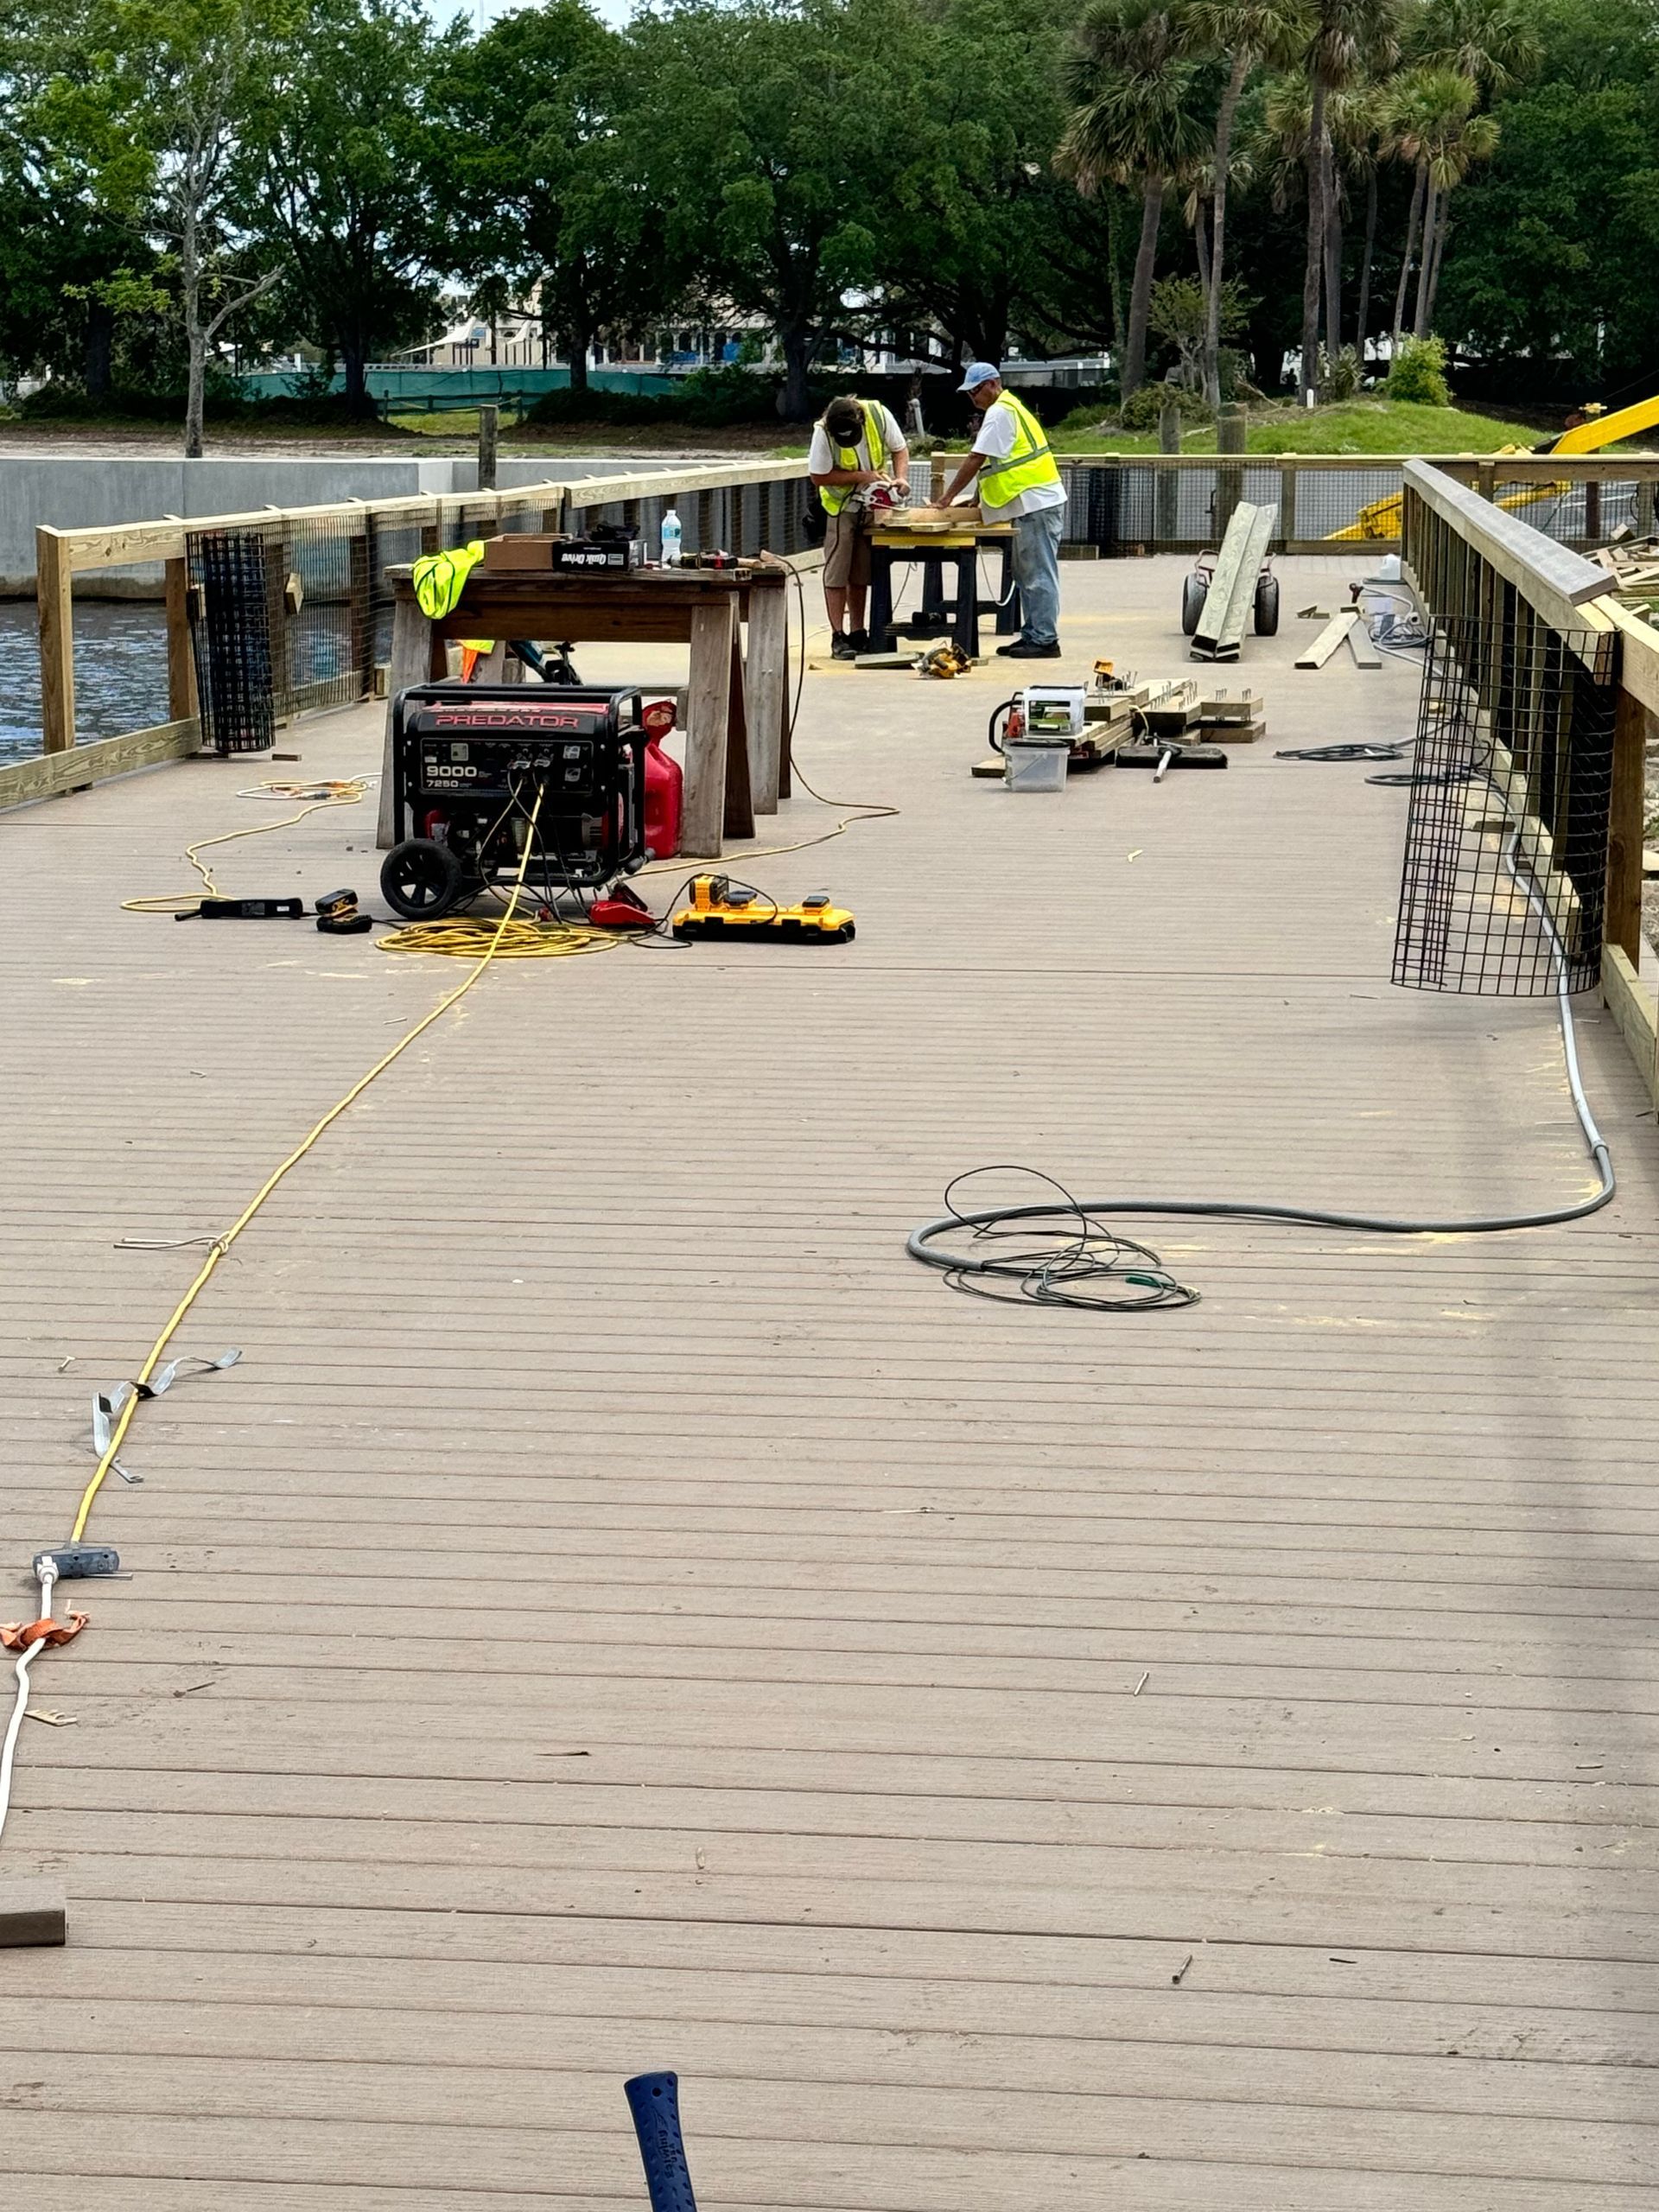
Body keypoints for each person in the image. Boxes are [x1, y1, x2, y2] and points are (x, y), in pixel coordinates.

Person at [940, 363, 1065, 659]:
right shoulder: (1007, 408)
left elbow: (976, 458)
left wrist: (946, 498)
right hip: (1032, 502)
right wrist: (977, 497)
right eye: (969, 393)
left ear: (993, 384)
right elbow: (996, 461)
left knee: (1037, 573)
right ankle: (1034, 634)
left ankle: (1045, 639)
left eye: (977, 390)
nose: (973, 397)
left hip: (1035, 502)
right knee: (1026, 573)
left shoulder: (999, 412)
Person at [808, 393, 909, 659]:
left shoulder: (877, 414)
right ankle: (837, 636)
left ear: (860, 421)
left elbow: (899, 449)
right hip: (840, 506)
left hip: (871, 503)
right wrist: (862, 477)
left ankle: (858, 631)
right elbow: (818, 476)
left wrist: (899, 479)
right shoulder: (823, 432)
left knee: (860, 573)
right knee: (837, 572)